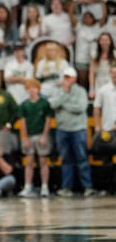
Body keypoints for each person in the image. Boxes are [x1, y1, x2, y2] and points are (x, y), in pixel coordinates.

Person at [48, 67, 95, 197]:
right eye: (65, 77)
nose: (67, 80)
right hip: (62, 129)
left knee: (82, 158)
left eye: (70, 77)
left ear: (75, 78)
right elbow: (52, 105)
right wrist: (65, 95)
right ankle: (66, 188)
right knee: (66, 160)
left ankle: (87, 187)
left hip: (78, 129)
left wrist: (63, 105)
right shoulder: (58, 91)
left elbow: (80, 107)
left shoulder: (80, 91)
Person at [17, 79, 53, 198]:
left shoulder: (44, 103)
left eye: (34, 87)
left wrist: (44, 135)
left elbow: (48, 120)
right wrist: (25, 138)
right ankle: (28, 186)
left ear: (38, 89)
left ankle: (44, 186)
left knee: (43, 160)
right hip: (29, 135)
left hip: (40, 134)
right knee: (29, 161)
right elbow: (23, 122)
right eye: (29, 88)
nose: (32, 90)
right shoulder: (24, 105)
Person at [89, 32, 116, 98]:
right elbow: (91, 74)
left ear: (110, 41)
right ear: (99, 42)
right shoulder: (94, 55)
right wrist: (91, 89)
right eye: (102, 40)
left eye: (106, 40)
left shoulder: (115, 54)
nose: (104, 42)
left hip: (111, 83)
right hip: (98, 83)